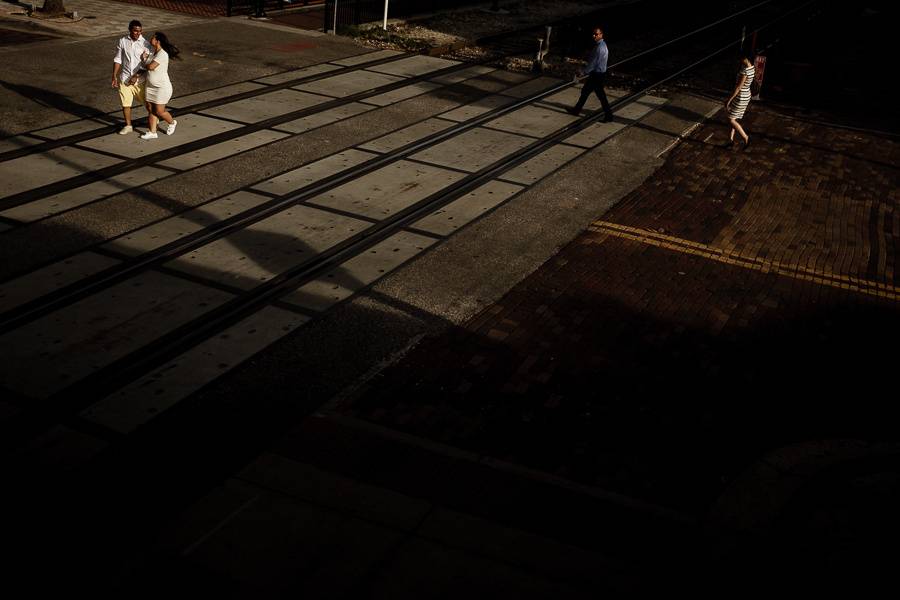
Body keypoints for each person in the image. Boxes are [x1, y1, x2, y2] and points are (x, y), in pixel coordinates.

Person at [112, 20, 152, 135]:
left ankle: (154, 120)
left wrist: (136, 76)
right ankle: (128, 125)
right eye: (135, 31)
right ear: (130, 30)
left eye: (140, 31)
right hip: (125, 79)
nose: (137, 33)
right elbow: (118, 59)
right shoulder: (123, 41)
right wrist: (114, 75)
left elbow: (146, 64)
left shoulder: (146, 44)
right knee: (126, 104)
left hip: (140, 81)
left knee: (148, 104)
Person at [139, 32, 180, 140]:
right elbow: (148, 61)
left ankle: (172, 122)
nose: (150, 39)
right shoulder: (153, 52)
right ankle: (152, 132)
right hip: (150, 86)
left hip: (162, 88)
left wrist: (144, 63)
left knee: (159, 111)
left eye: (153, 38)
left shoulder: (163, 54)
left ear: (158, 41)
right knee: (150, 109)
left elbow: (151, 66)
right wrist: (145, 58)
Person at [568, 26, 613, 122]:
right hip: (598, 74)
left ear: (601, 35)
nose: (594, 36)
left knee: (599, 96)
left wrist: (583, 72)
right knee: (586, 92)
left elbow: (593, 64)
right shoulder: (602, 45)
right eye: (593, 34)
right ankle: (577, 110)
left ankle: (609, 116)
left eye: (596, 34)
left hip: (597, 75)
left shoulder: (599, 48)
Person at [724, 53, 756, 150]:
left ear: (745, 58)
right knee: (733, 118)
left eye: (740, 58)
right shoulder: (752, 67)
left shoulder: (745, 71)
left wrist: (729, 100)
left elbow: (738, 87)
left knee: (731, 120)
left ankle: (746, 137)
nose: (739, 61)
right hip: (746, 95)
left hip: (740, 97)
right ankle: (730, 140)